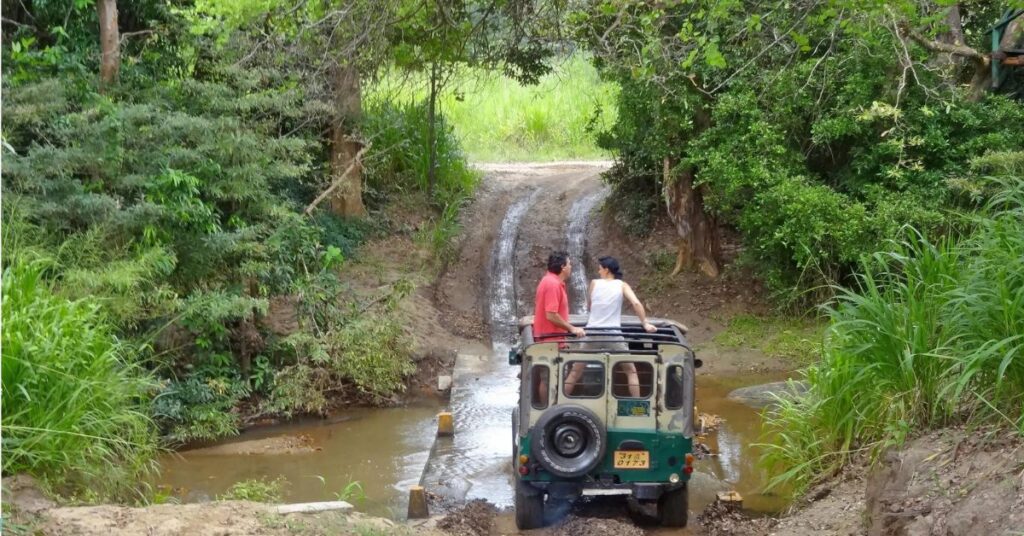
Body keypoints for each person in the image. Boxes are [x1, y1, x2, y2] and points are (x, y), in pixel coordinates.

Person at [580, 256, 657, 397]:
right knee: (631, 371)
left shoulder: (594, 283)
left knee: (575, 371)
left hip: (592, 333)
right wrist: (645, 323)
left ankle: (556, 407)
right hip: (613, 335)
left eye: (600, 268)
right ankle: (638, 407)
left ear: (607, 270)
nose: (598, 271)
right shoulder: (622, 285)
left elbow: (589, 306)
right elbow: (636, 303)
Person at [532, 251, 584, 404]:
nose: (571, 267)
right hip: (549, 341)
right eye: (569, 264)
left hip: (553, 339)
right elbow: (551, 315)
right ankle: (549, 412)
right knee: (549, 378)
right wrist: (572, 329)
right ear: (563, 267)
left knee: (550, 377)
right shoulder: (552, 284)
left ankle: (550, 409)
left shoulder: (552, 282)